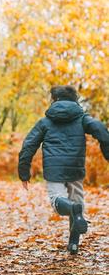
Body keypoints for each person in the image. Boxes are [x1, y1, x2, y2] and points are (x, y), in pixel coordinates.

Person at [18, 85, 109, 254]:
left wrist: (24, 171)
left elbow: (28, 145)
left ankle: (74, 211)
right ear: (75, 99)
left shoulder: (45, 121)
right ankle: (73, 244)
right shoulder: (82, 118)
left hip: (54, 170)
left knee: (58, 200)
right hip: (76, 167)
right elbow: (100, 129)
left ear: (54, 99)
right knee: (77, 202)